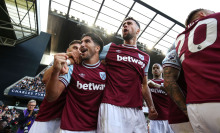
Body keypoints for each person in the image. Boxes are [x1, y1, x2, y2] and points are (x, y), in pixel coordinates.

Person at [97, 17, 158, 133]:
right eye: (123, 24)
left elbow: (144, 85)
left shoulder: (145, 57)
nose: (125, 25)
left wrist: (151, 107)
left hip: (135, 108)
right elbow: (91, 55)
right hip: (111, 105)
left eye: (129, 24)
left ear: (138, 30)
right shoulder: (111, 48)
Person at [169, 9, 220, 133]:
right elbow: (168, 81)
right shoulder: (216, 18)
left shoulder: (179, 39)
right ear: (202, 14)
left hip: (195, 107)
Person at [46, 33, 106, 133]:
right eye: (81, 41)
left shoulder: (106, 71)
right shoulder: (72, 68)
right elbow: (51, 97)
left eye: (87, 41)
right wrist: (55, 71)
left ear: (97, 48)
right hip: (70, 128)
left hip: (96, 128)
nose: (82, 44)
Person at [29, 40, 81, 133]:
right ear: (68, 50)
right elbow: (45, 78)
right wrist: (68, 60)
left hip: (67, 120)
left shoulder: (82, 66)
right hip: (47, 116)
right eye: (75, 48)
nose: (77, 51)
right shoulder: (59, 59)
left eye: (79, 49)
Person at [162, 48, 194, 133]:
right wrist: (187, 112)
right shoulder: (175, 51)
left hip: (194, 112)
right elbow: (168, 82)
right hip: (183, 116)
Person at [148, 63, 173, 133]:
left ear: (162, 70)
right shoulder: (147, 83)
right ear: (152, 71)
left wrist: (155, 85)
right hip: (155, 119)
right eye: (153, 68)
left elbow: (172, 92)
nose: (155, 69)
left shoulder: (167, 82)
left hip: (168, 118)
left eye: (157, 68)